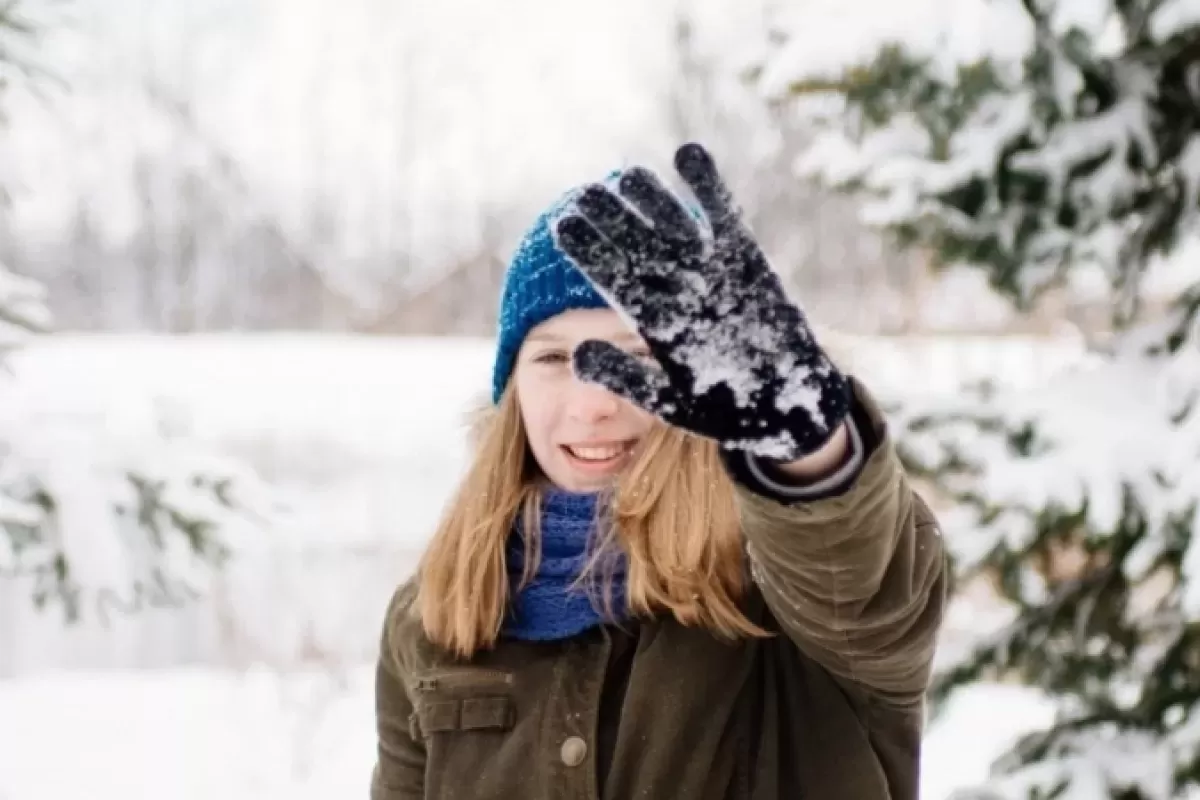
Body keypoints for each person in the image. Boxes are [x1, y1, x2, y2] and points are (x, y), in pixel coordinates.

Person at [371, 142, 947, 800]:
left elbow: (862, 582)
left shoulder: (787, 582)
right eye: (556, 359)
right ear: (513, 389)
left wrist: (803, 443)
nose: (594, 404)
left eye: (633, 358)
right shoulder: (432, 615)